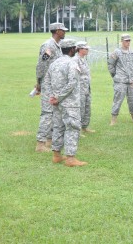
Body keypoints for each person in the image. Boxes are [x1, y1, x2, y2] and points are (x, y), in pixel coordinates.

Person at [45, 39, 87, 167]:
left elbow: (47, 81)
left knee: (58, 127)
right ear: (72, 49)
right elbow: (72, 83)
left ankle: (56, 155)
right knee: (72, 128)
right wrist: (59, 97)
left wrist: (53, 96)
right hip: (70, 103)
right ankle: (70, 158)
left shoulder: (54, 63)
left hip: (57, 103)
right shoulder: (72, 63)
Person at [34, 22, 68, 152]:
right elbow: (41, 65)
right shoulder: (48, 46)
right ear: (57, 31)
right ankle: (40, 144)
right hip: (48, 84)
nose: (64, 32)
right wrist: (39, 82)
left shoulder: (57, 46)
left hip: (56, 85)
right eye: (62, 30)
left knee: (54, 113)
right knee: (47, 113)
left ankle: (50, 140)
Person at [107, 33, 133, 125]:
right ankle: (113, 118)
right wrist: (115, 75)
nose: (128, 42)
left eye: (129, 40)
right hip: (120, 81)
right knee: (118, 100)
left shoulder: (132, 52)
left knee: (132, 100)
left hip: (131, 81)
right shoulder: (116, 52)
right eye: (126, 41)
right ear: (121, 41)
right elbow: (110, 65)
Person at [75, 41, 95, 135]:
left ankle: (84, 127)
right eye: (85, 49)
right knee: (80, 109)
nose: (87, 50)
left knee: (87, 108)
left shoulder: (83, 59)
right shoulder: (75, 60)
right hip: (79, 89)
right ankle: (77, 130)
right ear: (80, 49)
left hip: (86, 88)